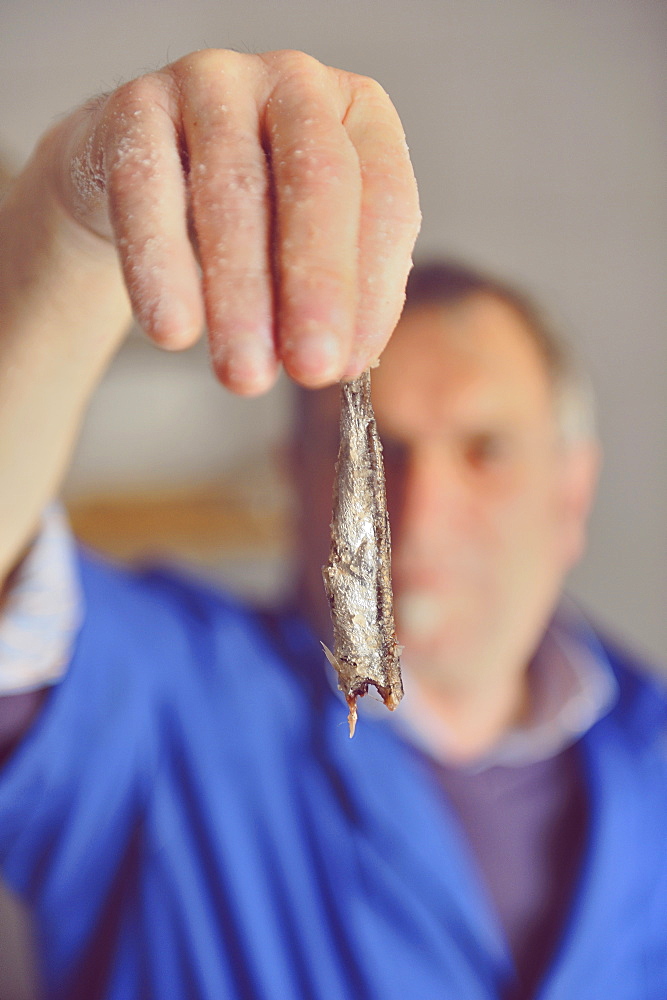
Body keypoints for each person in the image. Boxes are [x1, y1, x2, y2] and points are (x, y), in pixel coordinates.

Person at [0, 48, 665, 1000]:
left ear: (571, 491)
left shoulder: (651, 760)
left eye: (484, 448)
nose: (423, 510)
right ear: (297, 478)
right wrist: (73, 222)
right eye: (376, 452)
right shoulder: (164, 704)